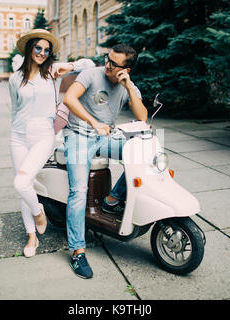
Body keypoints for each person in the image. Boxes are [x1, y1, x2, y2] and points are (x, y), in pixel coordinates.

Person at [63, 44, 148, 279]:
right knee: (78, 191)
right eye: (107, 59)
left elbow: (142, 117)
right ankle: (78, 250)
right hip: (79, 136)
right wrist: (93, 123)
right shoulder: (91, 73)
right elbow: (70, 99)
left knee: (142, 151)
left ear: (126, 69)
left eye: (113, 63)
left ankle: (112, 200)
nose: (107, 65)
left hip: (104, 137)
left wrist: (129, 86)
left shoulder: (126, 85)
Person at [8, 29, 94, 258]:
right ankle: (32, 236)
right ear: (29, 49)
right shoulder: (15, 78)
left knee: (21, 182)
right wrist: (15, 132)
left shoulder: (52, 72)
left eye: (47, 50)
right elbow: (15, 109)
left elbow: (90, 64)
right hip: (18, 137)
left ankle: (39, 214)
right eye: (38, 48)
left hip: (43, 136)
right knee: (24, 189)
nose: (42, 53)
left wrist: (71, 66)